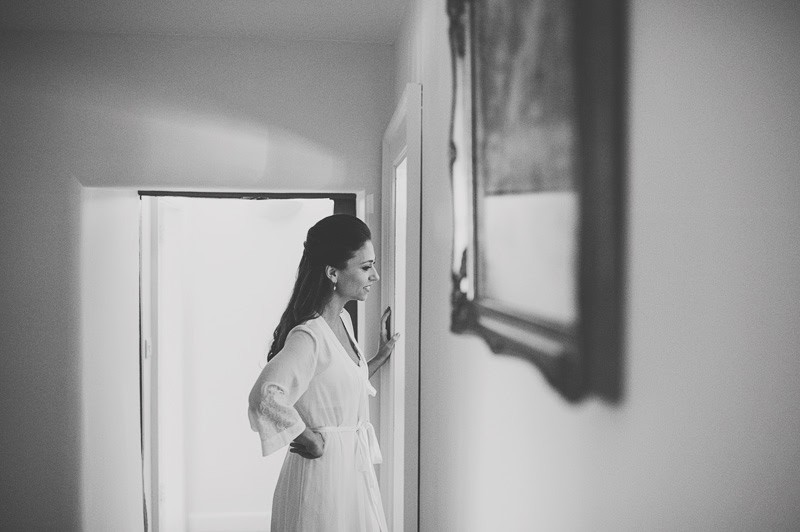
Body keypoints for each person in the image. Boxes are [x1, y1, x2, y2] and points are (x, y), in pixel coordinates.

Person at [248, 214, 399, 531]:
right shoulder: (309, 335)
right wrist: (308, 438)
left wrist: (379, 357)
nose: (375, 275)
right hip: (323, 474)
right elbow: (266, 395)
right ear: (333, 272)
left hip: (350, 471)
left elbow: (337, 385)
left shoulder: (343, 320)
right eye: (366, 267)